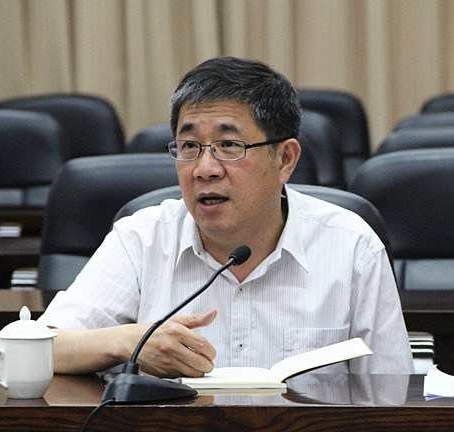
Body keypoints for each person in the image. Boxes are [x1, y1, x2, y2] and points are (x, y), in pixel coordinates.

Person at [38, 56, 414, 378]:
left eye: (229, 145)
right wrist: (128, 341)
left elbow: (393, 393)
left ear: (285, 159)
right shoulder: (142, 238)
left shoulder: (352, 246)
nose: (205, 169)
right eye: (189, 146)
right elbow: (33, 350)